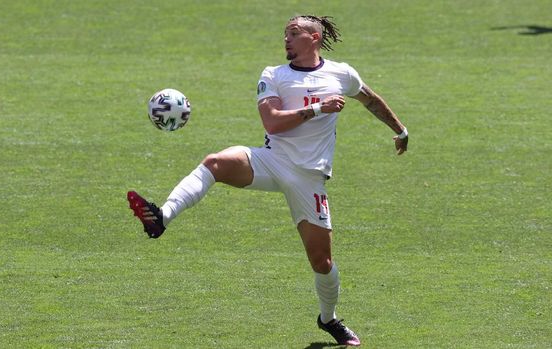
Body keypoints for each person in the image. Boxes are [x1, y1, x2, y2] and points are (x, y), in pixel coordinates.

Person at [127, 15, 408, 346]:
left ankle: (328, 319)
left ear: (314, 38)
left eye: (293, 33)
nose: (286, 40)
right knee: (215, 163)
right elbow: (272, 123)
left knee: (323, 262)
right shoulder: (274, 75)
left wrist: (400, 129)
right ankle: (162, 217)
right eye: (285, 34)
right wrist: (318, 108)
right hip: (271, 160)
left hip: (309, 178)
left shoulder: (341, 74)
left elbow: (371, 99)